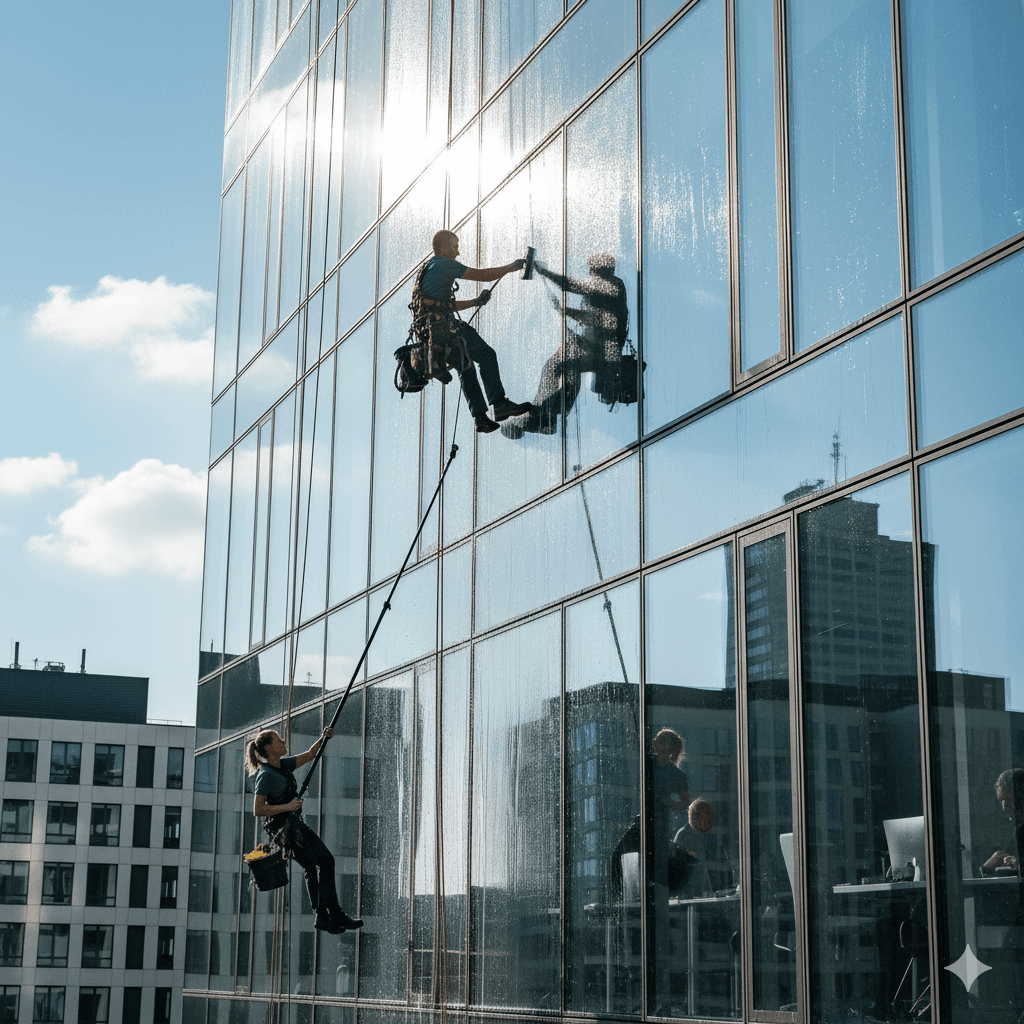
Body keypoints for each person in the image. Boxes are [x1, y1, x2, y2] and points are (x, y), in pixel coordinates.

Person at [245, 728, 363, 935]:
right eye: (279, 740)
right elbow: (258, 809)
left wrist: (324, 737)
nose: (283, 741)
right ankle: (331, 914)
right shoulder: (265, 775)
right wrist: (288, 806)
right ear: (270, 748)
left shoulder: (282, 765)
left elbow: (310, 755)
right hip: (286, 831)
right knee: (325, 861)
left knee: (312, 866)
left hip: (293, 827)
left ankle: (323, 916)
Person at [502, 252, 630, 439]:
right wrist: (565, 310)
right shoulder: (608, 289)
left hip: (601, 350)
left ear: (602, 270)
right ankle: (549, 417)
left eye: (592, 270)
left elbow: (573, 286)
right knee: (569, 371)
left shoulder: (613, 285)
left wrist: (545, 272)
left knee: (554, 366)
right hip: (597, 347)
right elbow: (594, 317)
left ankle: (538, 415)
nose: (590, 274)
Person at [417, 230, 532, 433]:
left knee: (465, 367)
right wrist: (510, 268)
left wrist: (475, 302)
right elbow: (482, 275)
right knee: (486, 355)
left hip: (433, 335)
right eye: (454, 246)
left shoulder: (428, 269)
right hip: (446, 330)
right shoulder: (444, 264)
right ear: (442, 247)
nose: (457, 252)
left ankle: (480, 418)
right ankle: (499, 404)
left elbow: (442, 305)